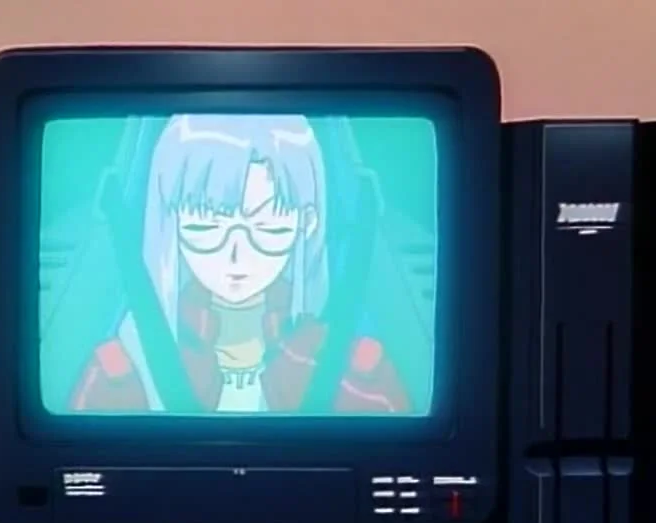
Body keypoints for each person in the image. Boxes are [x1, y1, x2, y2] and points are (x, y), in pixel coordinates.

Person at [69, 114, 409, 413]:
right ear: (169, 224)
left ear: (306, 224)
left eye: (269, 230)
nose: (236, 256)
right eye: (204, 229)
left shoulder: (352, 365)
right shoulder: (127, 360)